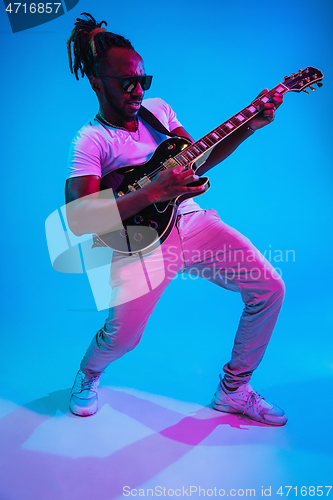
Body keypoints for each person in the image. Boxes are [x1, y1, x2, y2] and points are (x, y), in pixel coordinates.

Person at [65, 12, 287, 426]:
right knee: (123, 337)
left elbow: (199, 160)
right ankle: (89, 373)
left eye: (143, 80)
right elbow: (80, 218)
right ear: (97, 81)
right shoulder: (91, 139)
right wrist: (155, 191)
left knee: (269, 287)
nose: (137, 89)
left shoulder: (158, 111)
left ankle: (234, 390)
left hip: (193, 223)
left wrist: (250, 126)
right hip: (140, 242)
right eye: (126, 81)